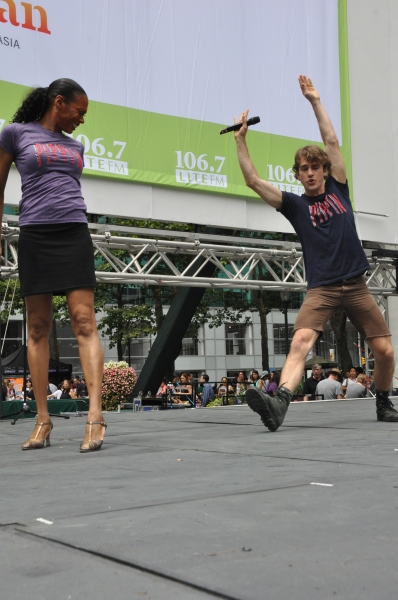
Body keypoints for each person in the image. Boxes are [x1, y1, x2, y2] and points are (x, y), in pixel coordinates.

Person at [235, 74, 396, 431]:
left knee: (385, 351)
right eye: (303, 169)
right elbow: (253, 181)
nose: (309, 173)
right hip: (321, 287)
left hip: (355, 285)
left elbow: (331, 140)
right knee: (300, 343)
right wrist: (240, 140)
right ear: (298, 174)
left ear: (325, 170)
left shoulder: (339, 188)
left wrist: (315, 101)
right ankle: (279, 404)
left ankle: (383, 403)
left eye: (315, 167)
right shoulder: (293, 205)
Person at [0, 78, 107, 451]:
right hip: (35, 235)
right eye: (79, 111)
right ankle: (42, 419)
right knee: (39, 327)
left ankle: (95, 416)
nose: (82, 120)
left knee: (84, 321)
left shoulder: (75, 144)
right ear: (58, 102)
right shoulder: (14, 134)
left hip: (74, 231)